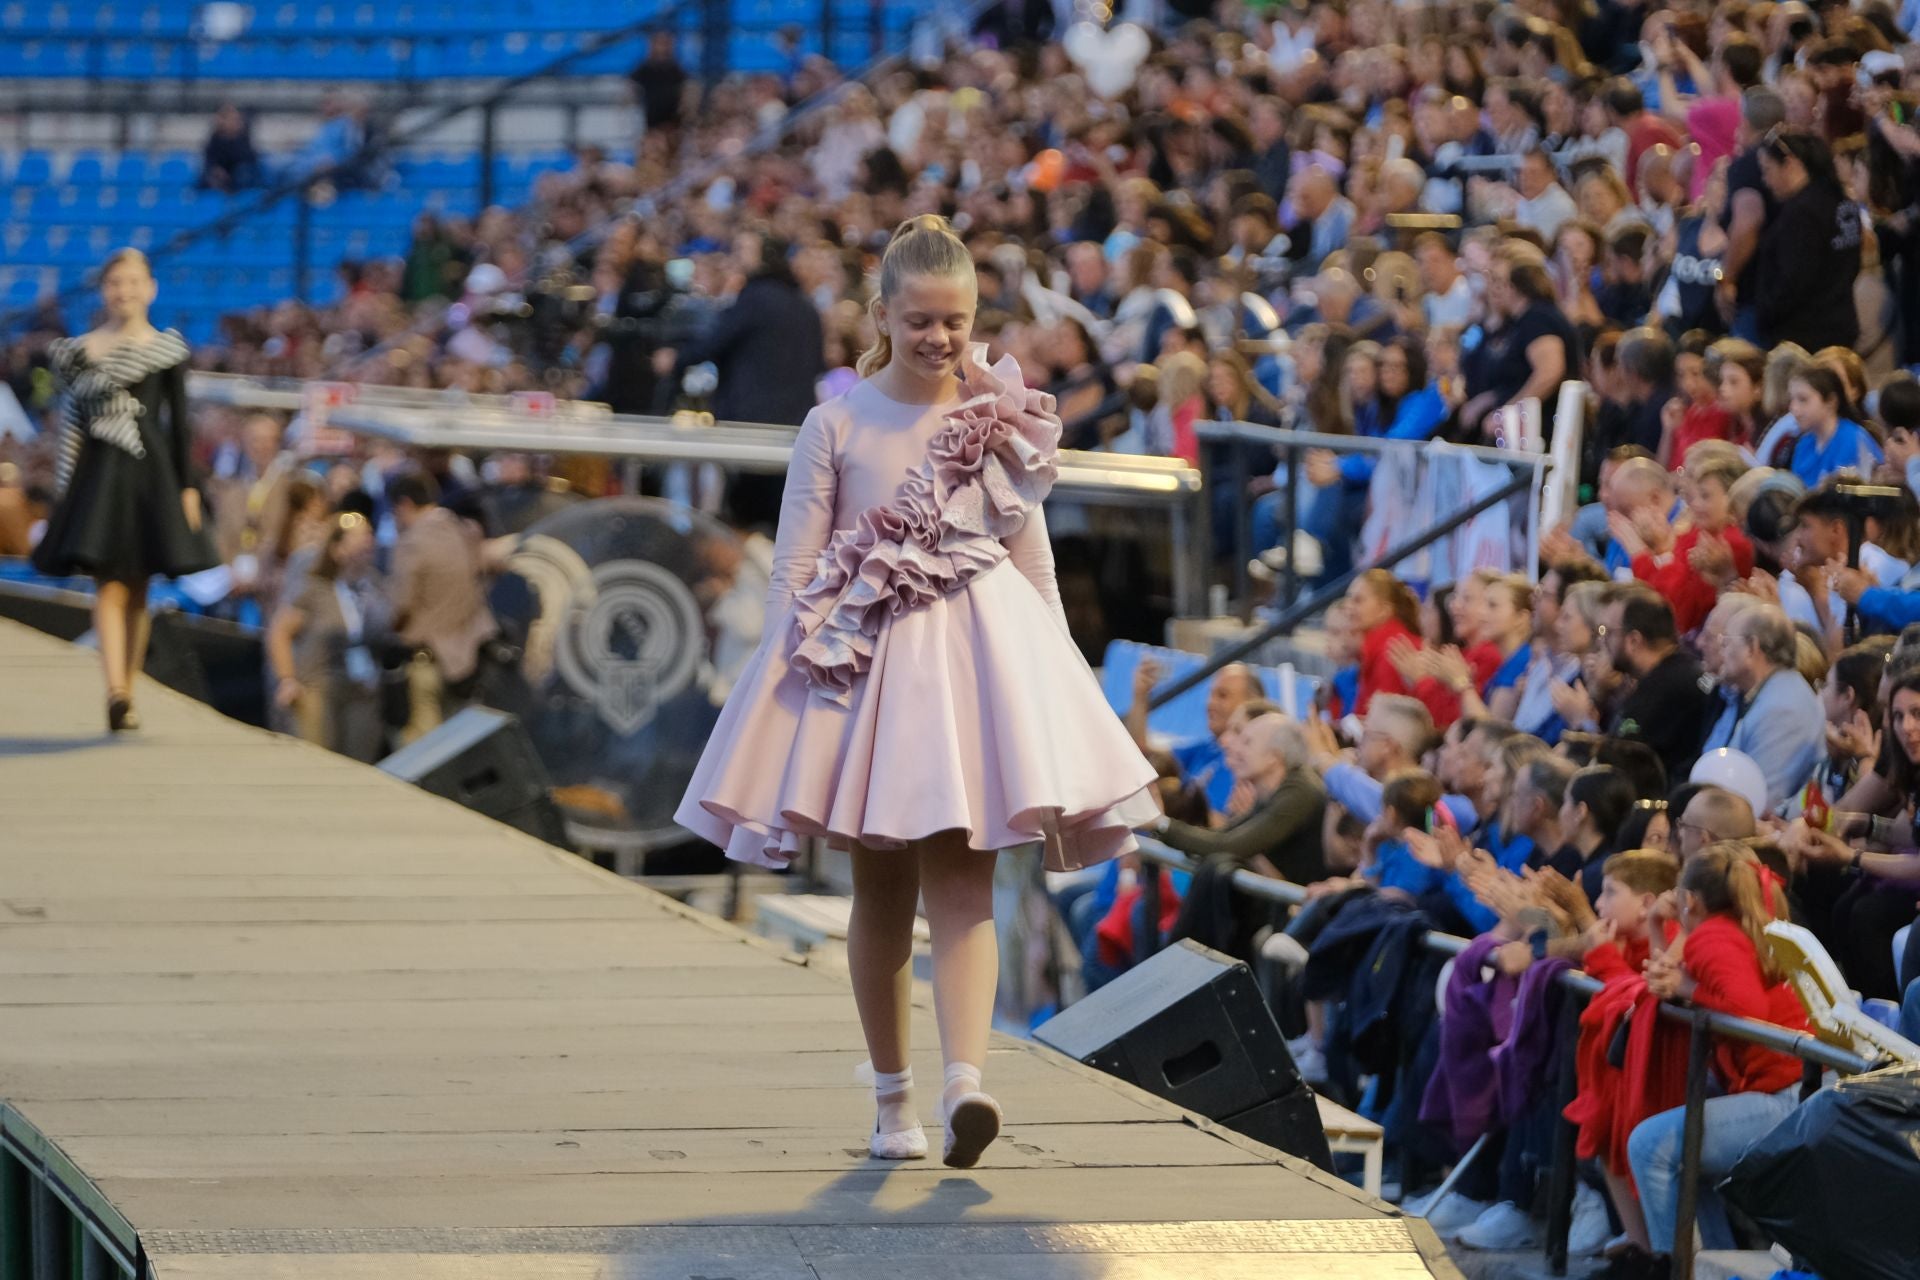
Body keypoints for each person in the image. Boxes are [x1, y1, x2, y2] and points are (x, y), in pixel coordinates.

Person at [674, 216, 1158, 1169]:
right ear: (883, 317)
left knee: (967, 879)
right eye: (923, 321)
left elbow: (1031, 555)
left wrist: (1059, 677)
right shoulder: (836, 423)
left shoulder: (996, 418)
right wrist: (783, 679)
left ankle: (965, 1083)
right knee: (883, 889)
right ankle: (893, 1099)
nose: (940, 338)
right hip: (869, 675)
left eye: (957, 321)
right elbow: (795, 566)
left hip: (977, 666)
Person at [30, 248, 215, 731]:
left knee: (138, 588)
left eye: (133, 282)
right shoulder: (78, 353)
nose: (124, 291)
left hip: (151, 479)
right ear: (103, 291)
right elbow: (71, 426)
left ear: (150, 288)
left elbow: (180, 427)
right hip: (99, 479)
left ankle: (127, 689)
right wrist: (64, 491)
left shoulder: (167, 349)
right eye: (115, 283)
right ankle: (115, 690)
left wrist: (188, 489)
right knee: (108, 584)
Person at [1628, 843, 1809, 1266]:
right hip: (1800, 1089)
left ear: (1689, 900)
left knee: (1649, 1147)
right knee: (1679, 1155)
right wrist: (1658, 926)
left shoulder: (1712, 935)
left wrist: (1687, 987)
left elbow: (1748, 1009)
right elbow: (1662, 979)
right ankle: (1707, 1268)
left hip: (1790, 1099)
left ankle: (1678, 1271)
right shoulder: (1735, 927)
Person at [265, 512, 391, 762]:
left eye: (368, 534)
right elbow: (279, 632)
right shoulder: (314, 589)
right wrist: (287, 679)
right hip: (318, 687)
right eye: (357, 536)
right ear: (337, 548)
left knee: (360, 763)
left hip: (362, 688)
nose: (367, 541)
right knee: (319, 760)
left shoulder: (373, 586)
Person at [388, 469, 497, 742]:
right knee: (457, 745)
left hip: (427, 661)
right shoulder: (466, 531)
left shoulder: (413, 543)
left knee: (422, 748)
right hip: (468, 657)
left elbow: (401, 605)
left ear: (404, 505)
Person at [1701, 602, 1824, 812]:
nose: (1722, 652)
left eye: (1726, 642)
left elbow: (1760, 803)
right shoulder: (1758, 693)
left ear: (1752, 648)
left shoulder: (1783, 709)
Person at [198, 103, 260, 192]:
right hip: (221, 174)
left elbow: (247, 158)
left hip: (239, 174)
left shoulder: (242, 137)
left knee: (243, 173)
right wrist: (217, 169)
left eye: (234, 119)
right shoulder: (215, 138)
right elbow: (210, 158)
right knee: (207, 176)